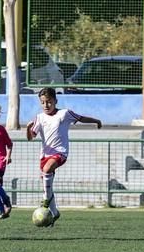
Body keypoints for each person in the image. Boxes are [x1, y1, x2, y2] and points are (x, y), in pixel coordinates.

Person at [26, 87, 102, 226]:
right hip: (44, 155)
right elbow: (31, 138)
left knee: (48, 170)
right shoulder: (39, 118)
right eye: (42, 102)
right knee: (46, 183)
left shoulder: (64, 113)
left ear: (55, 101)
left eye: (49, 102)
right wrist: (27, 128)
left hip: (60, 152)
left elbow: (81, 118)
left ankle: (45, 202)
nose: (46, 105)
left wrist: (96, 121)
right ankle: (54, 213)